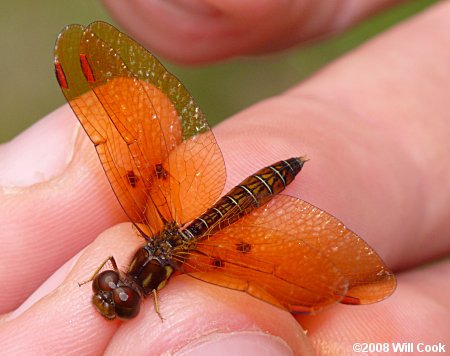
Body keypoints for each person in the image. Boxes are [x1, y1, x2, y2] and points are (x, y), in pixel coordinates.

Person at [0, 1, 449, 354]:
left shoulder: (160, 259)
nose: (111, 293)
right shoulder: (163, 259)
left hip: (236, 197)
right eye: (119, 297)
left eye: (106, 291)